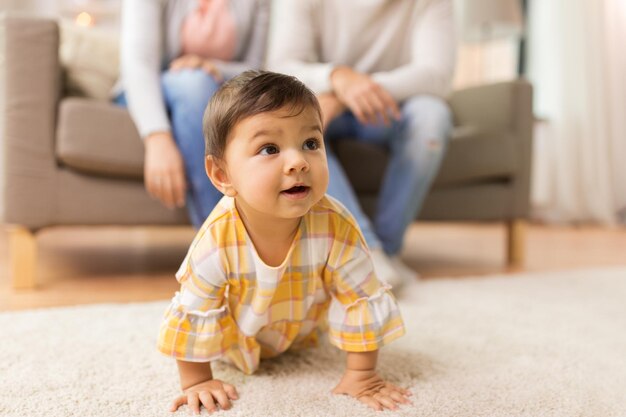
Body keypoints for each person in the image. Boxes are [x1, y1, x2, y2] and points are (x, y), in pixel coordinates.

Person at [157, 71, 410, 413]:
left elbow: (361, 297)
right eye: (269, 149)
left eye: (311, 143)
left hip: (302, 333)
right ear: (222, 175)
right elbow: (194, 310)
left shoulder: (336, 226)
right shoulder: (216, 239)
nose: (299, 162)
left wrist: (362, 375)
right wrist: (197, 380)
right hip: (235, 344)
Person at [268, 0, 457, 286]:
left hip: (387, 108)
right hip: (319, 103)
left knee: (432, 116)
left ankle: (384, 253)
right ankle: (365, 249)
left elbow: (437, 75)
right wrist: (335, 77)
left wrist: (350, 91)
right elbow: (280, 66)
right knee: (297, 130)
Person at [116, 0, 270, 228]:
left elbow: (259, 68)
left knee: (200, 84)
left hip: (222, 93)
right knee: (194, 84)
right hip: (150, 89)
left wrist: (212, 67)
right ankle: (227, 237)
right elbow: (139, 63)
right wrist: (157, 137)